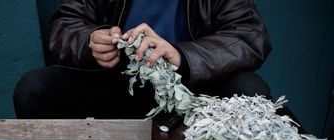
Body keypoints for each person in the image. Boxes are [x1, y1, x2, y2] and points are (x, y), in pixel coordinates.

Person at [14, 0, 272, 119]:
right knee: (35, 88)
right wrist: (89, 40)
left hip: (195, 94)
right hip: (120, 88)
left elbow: (250, 35)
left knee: (249, 89)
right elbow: (65, 23)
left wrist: (182, 56)